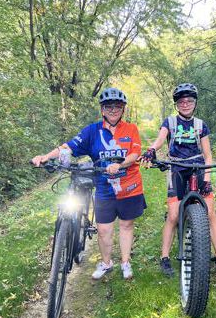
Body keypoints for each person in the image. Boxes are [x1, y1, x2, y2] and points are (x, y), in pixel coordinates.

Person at [32, 87, 146, 280]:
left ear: (123, 109)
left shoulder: (131, 129)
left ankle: (125, 262)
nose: (113, 110)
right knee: (103, 229)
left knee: (126, 225)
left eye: (117, 106)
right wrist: (46, 156)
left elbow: (135, 154)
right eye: (108, 107)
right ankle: (106, 263)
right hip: (104, 188)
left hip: (129, 186)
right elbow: (68, 146)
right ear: (102, 110)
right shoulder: (92, 131)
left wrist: (120, 164)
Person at [141, 83, 216, 281]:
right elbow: (160, 140)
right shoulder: (170, 122)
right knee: (173, 215)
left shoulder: (201, 125)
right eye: (181, 101)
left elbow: (208, 155)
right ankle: (164, 256)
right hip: (176, 168)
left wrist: (207, 179)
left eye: (189, 100)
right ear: (176, 104)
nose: (185, 104)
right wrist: (151, 150)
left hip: (198, 168)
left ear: (195, 103)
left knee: (210, 213)